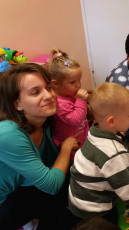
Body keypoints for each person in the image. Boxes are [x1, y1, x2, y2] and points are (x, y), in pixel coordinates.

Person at [65, 82, 129, 229]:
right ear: (112, 121)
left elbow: (107, 159)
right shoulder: (113, 153)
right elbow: (126, 189)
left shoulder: (94, 132)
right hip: (94, 211)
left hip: (78, 200)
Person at [0, 63, 79, 229]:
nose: (49, 95)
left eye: (48, 88)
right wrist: (65, 149)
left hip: (22, 188)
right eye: (35, 92)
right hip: (4, 204)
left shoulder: (46, 120)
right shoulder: (9, 134)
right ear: (17, 104)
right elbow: (52, 184)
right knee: (66, 186)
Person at [48, 48, 89, 159]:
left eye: (79, 80)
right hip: (71, 150)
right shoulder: (59, 103)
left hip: (82, 140)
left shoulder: (70, 95)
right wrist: (81, 100)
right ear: (55, 84)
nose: (78, 85)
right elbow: (75, 120)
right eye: (72, 82)